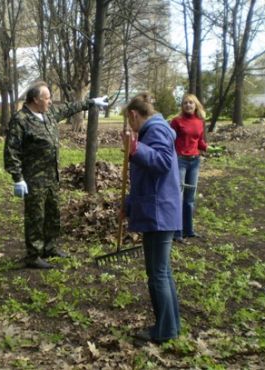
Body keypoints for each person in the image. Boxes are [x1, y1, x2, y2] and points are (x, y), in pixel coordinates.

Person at [4, 81, 108, 269]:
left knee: (52, 213)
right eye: (47, 98)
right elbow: (11, 150)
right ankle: (33, 255)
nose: (50, 101)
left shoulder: (49, 114)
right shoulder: (20, 120)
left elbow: (69, 108)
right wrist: (17, 178)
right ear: (35, 99)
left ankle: (50, 246)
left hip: (52, 175)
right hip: (33, 178)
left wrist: (91, 102)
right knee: (35, 216)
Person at [122, 93, 182, 344]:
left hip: (159, 212)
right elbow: (146, 178)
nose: (131, 126)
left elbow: (162, 163)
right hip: (159, 208)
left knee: (157, 273)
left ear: (134, 115)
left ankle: (165, 330)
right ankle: (170, 325)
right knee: (162, 272)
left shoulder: (156, 130)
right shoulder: (156, 130)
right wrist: (128, 204)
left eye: (130, 121)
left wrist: (134, 148)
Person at [170, 93, 208, 243]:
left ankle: (188, 230)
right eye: (185, 103)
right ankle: (177, 232)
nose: (188, 105)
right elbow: (170, 140)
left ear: (195, 105)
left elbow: (199, 141)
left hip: (195, 161)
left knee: (190, 198)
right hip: (180, 160)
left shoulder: (199, 121)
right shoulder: (176, 121)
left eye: (191, 103)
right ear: (182, 106)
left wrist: (207, 148)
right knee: (178, 197)